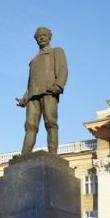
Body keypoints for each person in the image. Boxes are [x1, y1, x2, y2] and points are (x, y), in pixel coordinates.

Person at [16, 26, 68, 155]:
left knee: (50, 122)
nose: (42, 37)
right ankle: (25, 154)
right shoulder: (33, 60)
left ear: (50, 37)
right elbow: (30, 83)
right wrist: (24, 98)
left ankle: (53, 153)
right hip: (33, 96)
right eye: (39, 36)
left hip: (49, 91)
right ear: (36, 40)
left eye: (44, 35)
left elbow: (63, 69)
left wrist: (58, 85)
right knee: (30, 125)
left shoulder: (56, 51)